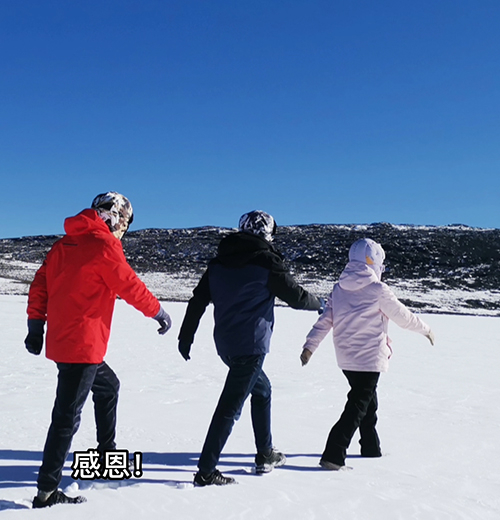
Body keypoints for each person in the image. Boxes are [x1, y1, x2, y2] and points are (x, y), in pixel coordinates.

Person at [24, 192, 172, 507]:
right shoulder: (104, 246)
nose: (124, 230)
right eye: (125, 223)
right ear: (116, 218)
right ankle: (46, 492)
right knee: (66, 418)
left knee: (108, 386)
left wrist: (36, 327)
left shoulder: (63, 245)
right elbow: (129, 285)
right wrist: (158, 312)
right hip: (84, 346)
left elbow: (39, 286)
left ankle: (106, 455)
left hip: (66, 342)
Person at [178, 210, 323, 486]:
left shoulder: (219, 263)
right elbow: (296, 297)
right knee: (230, 407)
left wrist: (186, 336)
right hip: (251, 346)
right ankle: (206, 471)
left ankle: (265, 453)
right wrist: (320, 304)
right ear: (268, 233)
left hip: (226, 345)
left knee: (262, 390)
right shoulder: (267, 262)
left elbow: (198, 300)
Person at [300, 238, 435, 470]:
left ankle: (371, 448)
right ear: (374, 262)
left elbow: (325, 321)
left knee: (367, 402)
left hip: (346, 358)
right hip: (370, 358)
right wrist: (426, 330)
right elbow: (403, 317)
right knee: (358, 405)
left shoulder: (339, 289)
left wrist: (310, 346)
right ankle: (333, 455)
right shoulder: (378, 290)